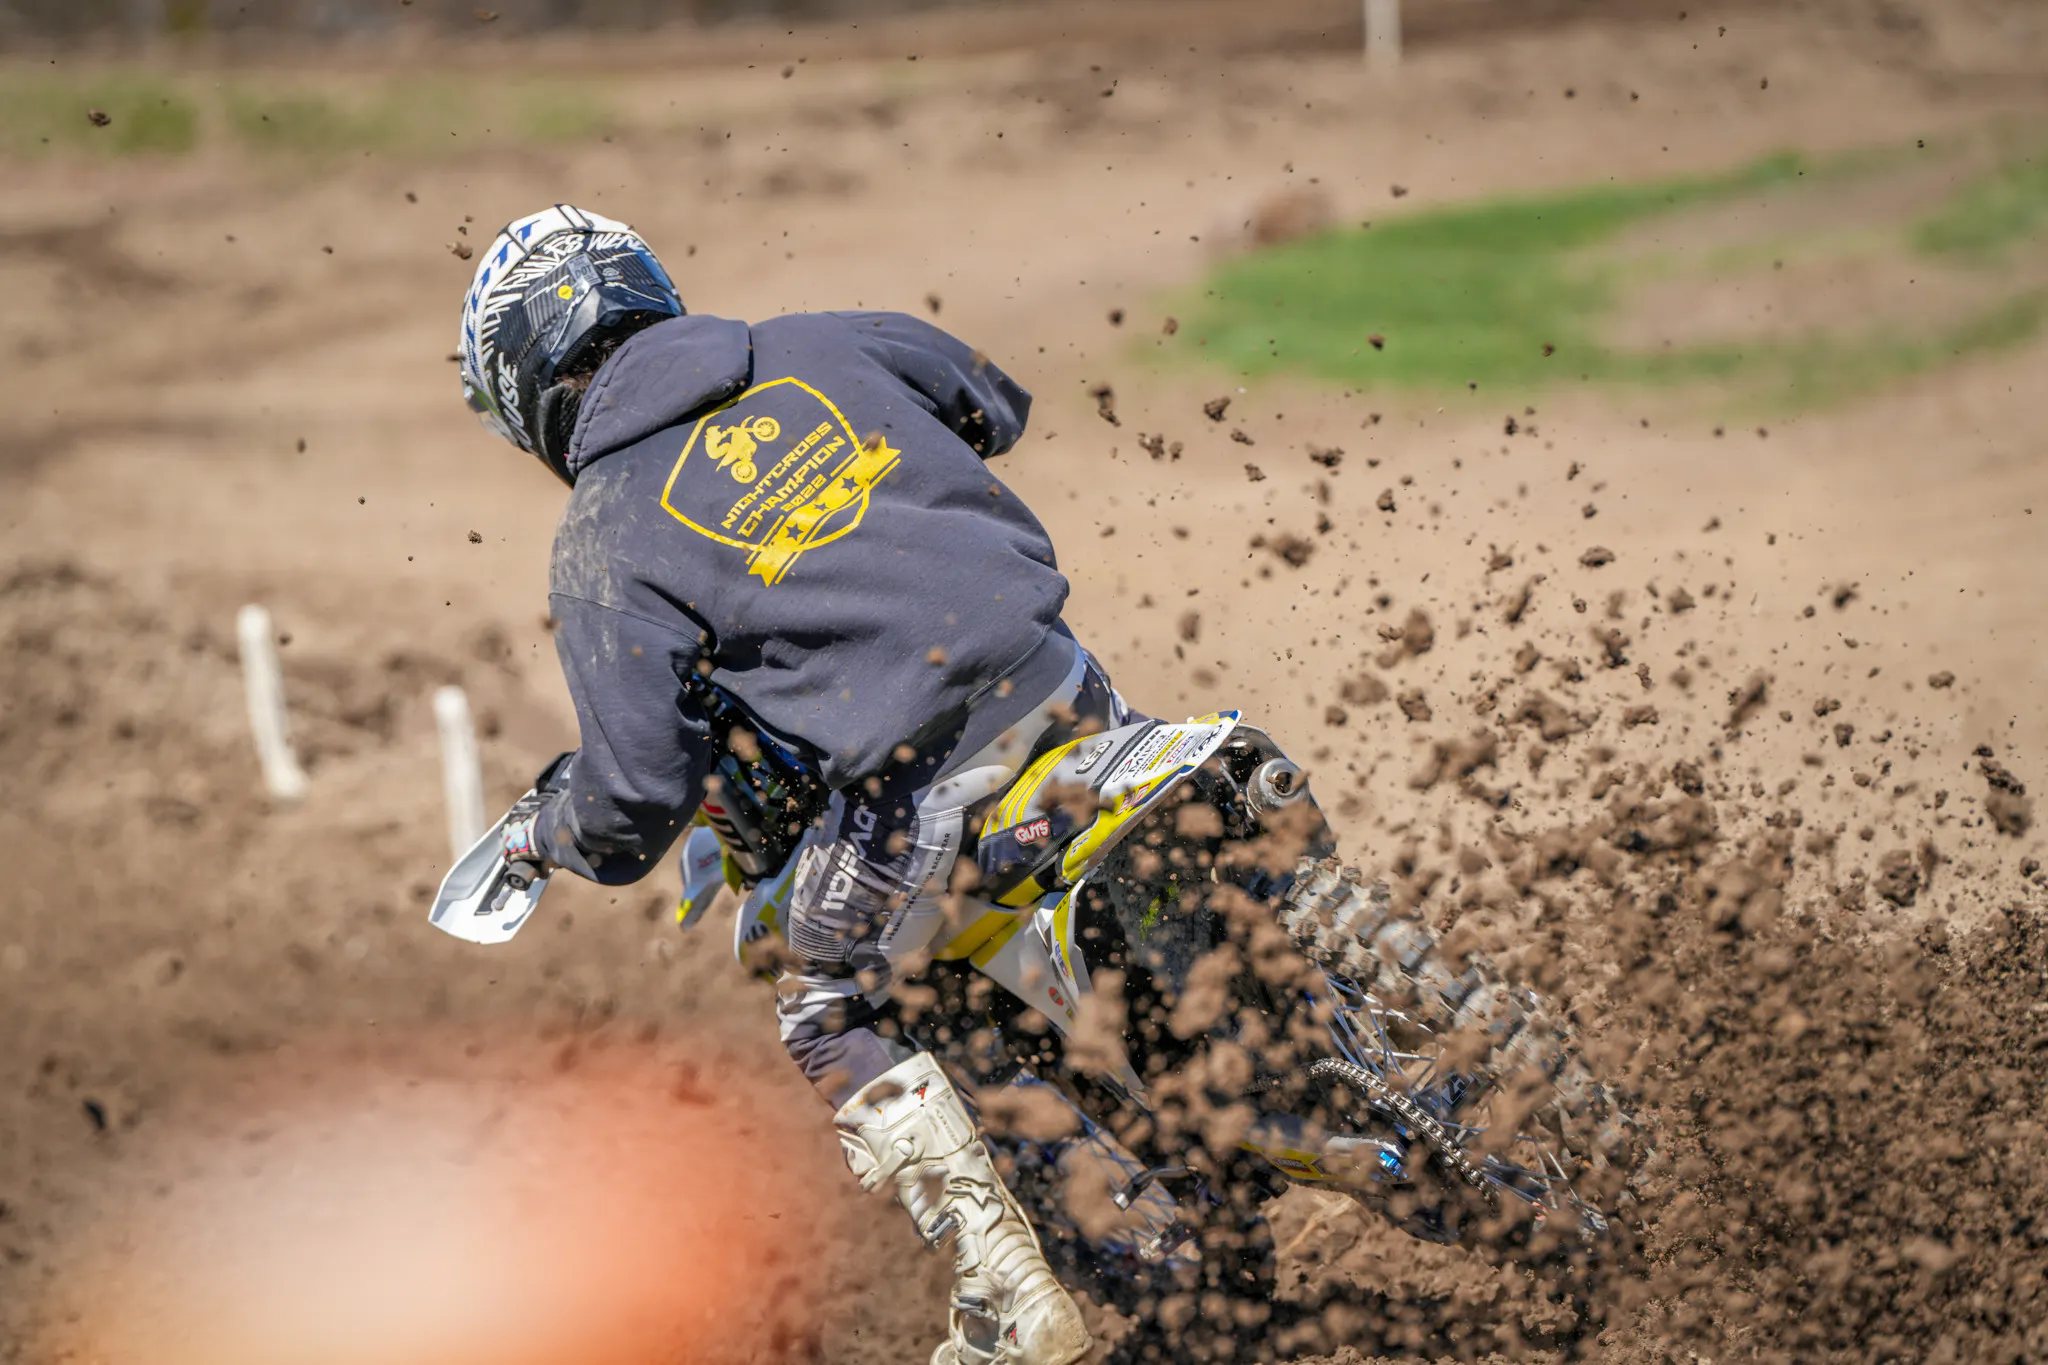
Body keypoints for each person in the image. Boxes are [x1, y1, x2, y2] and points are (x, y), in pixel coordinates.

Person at [458, 204, 1105, 1365]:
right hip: (1065, 684)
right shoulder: (818, 341)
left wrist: (547, 833)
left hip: (914, 787)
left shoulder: (604, 537)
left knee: (820, 996)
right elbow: (992, 403)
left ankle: (1007, 1292)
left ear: (524, 386)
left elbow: (633, 804)